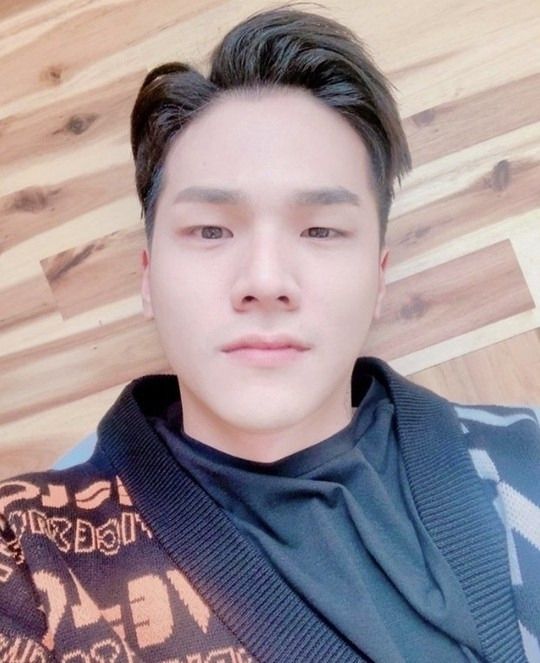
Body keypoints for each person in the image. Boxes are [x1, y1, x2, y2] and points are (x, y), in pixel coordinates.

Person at [1, 5, 538, 662]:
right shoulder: (31, 555)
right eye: (210, 230)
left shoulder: (527, 456)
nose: (264, 279)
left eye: (320, 230)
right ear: (147, 277)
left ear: (378, 278)